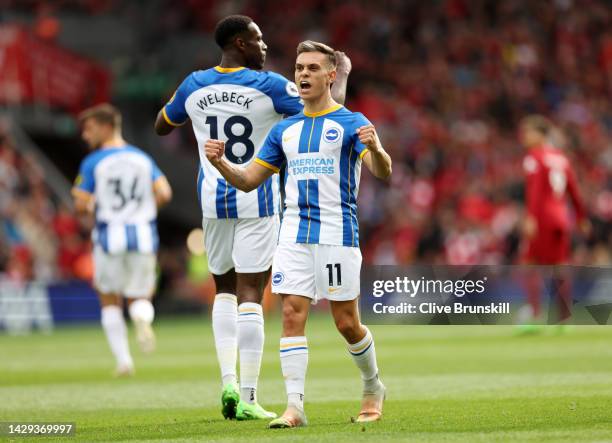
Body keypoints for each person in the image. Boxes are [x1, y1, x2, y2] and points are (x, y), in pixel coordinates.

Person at [154, 15, 351, 420]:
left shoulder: (194, 84)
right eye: (259, 40)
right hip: (256, 198)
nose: (265, 47)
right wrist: (340, 75)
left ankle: (226, 380)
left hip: (211, 200)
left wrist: (190, 103)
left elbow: (161, 125)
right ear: (241, 43)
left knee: (223, 290)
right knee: (251, 294)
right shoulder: (273, 86)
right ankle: (247, 395)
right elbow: (327, 113)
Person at [204, 40, 392, 428]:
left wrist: (379, 149)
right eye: (299, 68)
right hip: (292, 235)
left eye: (311, 68)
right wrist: (221, 162)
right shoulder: (284, 131)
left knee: (346, 323)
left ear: (331, 75)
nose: (303, 75)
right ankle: (295, 407)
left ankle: (373, 385)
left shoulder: (352, 123)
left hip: (338, 234)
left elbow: (382, 172)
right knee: (291, 314)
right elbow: (248, 180)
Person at [72, 103, 172, 376]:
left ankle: (124, 361)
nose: (85, 135)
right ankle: (141, 318)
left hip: (108, 239)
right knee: (141, 297)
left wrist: (96, 206)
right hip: (142, 237)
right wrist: (143, 211)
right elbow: (164, 193)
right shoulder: (142, 158)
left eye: (89, 129)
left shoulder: (94, 162)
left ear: (106, 127)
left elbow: (80, 203)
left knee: (109, 299)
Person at [518, 115, 589, 330]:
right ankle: (564, 317)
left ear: (541, 134)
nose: (524, 137)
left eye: (528, 132)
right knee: (559, 267)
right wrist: (581, 217)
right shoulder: (560, 157)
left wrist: (531, 216)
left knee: (529, 264)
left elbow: (536, 189)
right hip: (561, 218)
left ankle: (535, 314)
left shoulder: (534, 157)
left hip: (542, 218)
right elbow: (574, 190)